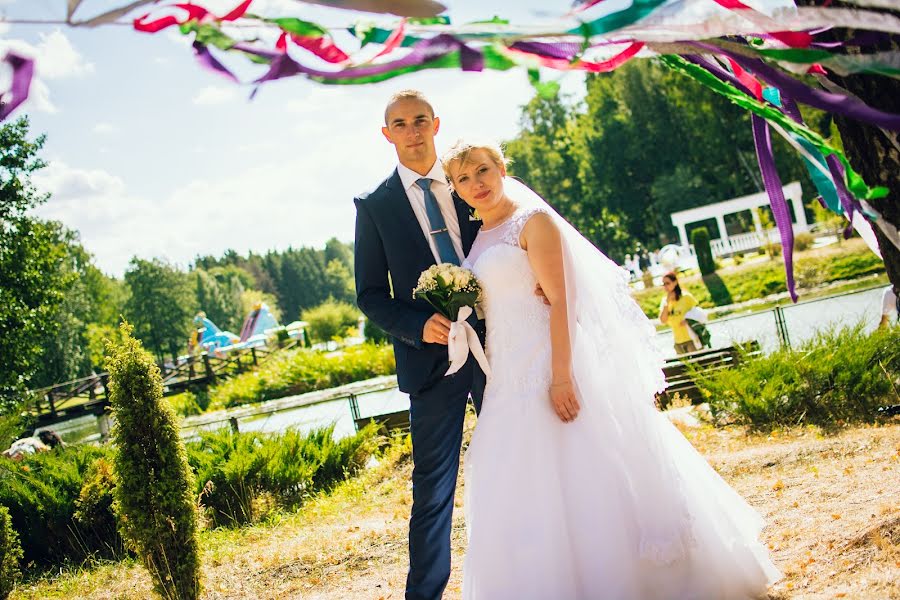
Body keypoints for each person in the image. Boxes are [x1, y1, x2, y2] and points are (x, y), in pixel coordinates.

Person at [443, 139, 780, 599]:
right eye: (464, 178)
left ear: (502, 167)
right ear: (455, 188)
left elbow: (562, 300)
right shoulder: (477, 238)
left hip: (548, 361)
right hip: (506, 373)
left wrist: (561, 374)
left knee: (585, 468)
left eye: (483, 170)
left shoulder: (533, 222)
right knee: (519, 480)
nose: (476, 184)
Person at [352, 90, 487, 600]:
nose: (412, 131)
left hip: (501, 347)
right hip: (430, 364)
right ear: (387, 134)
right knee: (433, 489)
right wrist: (416, 325)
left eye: (420, 121)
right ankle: (425, 594)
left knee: (522, 457)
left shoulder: (470, 183)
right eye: (401, 124)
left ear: (436, 125)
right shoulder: (375, 206)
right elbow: (369, 294)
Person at [660, 271, 701, 354]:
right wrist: (667, 304)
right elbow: (663, 320)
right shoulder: (665, 301)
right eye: (663, 284)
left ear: (675, 282)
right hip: (678, 342)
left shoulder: (686, 297)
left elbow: (699, 314)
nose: (665, 286)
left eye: (668, 283)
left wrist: (688, 320)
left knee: (698, 365)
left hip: (692, 339)